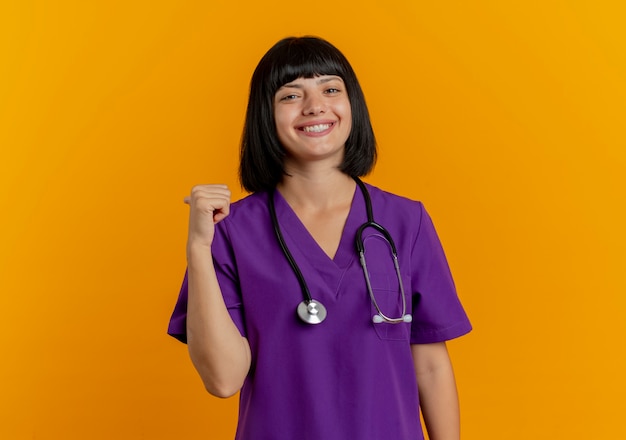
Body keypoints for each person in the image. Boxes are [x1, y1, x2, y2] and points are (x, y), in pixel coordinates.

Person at [168, 36, 471, 440]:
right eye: (291, 95)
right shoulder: (231, 231)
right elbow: (223, 381)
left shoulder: (405, 221)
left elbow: (431, 365)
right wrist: (198, 248)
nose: (315, 106)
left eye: (331, 89)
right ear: (265, 116)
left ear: (352, 106)